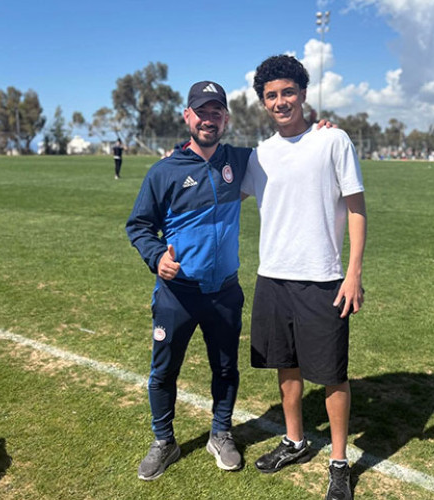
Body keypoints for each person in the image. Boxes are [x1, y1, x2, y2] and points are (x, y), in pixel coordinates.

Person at [241, 55, 367, 500]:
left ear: (303, 94)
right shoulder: (259, 156)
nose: (280, 102)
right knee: (286, 364)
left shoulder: (333, 140)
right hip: (273, 278)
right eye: (271, 95)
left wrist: (353, 273)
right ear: (263, 102)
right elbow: (222, 189)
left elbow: (356, 209)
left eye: (288, 92)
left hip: (323, 280)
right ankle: (294, 442)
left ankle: (339, 463)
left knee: (332, 374)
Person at [126, 81, 252, 480]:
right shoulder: (164, 171)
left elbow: (288, 149)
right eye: (201, 112)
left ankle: (221, 433)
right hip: (177, 295)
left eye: (216, 112)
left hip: (224, 292)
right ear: (187, 116)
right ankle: (164, 440)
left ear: (226, 119)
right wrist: (156, 257)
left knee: (226, 368)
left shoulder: (241, 160)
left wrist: (318, 129)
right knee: (163, 371)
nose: (208, 120)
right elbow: (139, 225)